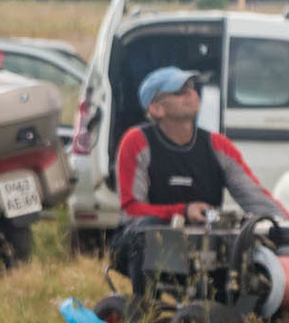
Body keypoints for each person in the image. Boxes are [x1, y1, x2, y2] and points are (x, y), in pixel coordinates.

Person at [112, 69, 286, 248]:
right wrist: (184, 212)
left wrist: (285, 225)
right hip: (144, 242)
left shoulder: (218, 145)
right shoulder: (136, 141)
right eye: (179, 91)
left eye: (192, 87)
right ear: (156, 108)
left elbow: (256, 199)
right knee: (147, 231)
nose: (191, 93)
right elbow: (131, 211)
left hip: (203, 243)